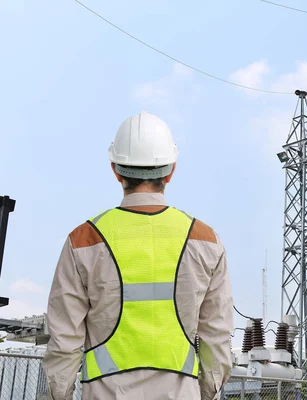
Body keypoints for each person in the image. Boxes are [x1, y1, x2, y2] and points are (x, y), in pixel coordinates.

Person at [42, 111, 233, 400]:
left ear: (116, 170)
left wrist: (61, 395)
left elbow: (63, 340)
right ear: (171, 171)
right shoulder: (204, 239)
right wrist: (205, 393)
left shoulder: (83, 239)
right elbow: (216, 337)